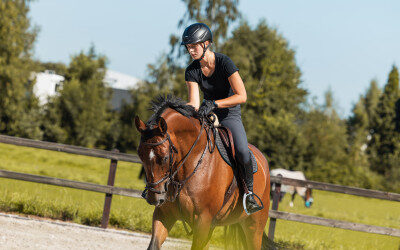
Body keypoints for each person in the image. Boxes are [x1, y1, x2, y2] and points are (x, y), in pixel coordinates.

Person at [182, 23, 263, 214]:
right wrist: (178, 109)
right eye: (188, 47)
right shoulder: (191, 71)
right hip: (207, 114)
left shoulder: (225, 63)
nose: (191, 50)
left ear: (207, 44)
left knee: (242, 151)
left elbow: (242, 96)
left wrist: (215, 104)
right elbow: (194, 103)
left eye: (194, 46)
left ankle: (249, 194)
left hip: (229, 114)